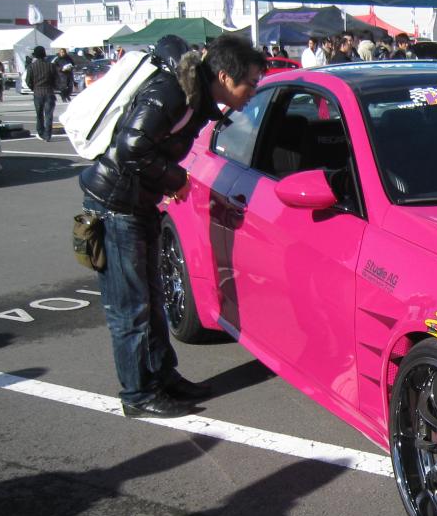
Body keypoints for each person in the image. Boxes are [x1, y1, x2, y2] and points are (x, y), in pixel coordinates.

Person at [79, 34, 266, 418]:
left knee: (151, 300)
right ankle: (137, 393)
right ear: (226, 76)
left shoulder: (193, 96)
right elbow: (131, 148)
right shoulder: (171, 93)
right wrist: (175, 179)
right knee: (131, 307)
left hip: (137, 202)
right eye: (250, 82)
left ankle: (163, 376)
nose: (253, 90)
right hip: (115, 206)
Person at [25, 46, 58, 141]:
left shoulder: (31, 66)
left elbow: (28, 81)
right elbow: (55, 79)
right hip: (49, 91)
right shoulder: (50, 66)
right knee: (49, 114)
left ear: (35, 55)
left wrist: (33, 88)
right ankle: (48, 135)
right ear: (44, 55)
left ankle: (41, 132)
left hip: (38, 92)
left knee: (39, 114)